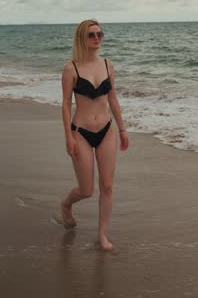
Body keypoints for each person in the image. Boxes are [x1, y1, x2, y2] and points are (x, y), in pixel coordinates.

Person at [60, 19, 129, 251]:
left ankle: (102, 234)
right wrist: (68, 136)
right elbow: (65, 105)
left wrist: (122, 128)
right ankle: (66, 205)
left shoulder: (108, 64)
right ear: (82, 38)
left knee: (107, 186)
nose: (97, 38)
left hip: (107, 130)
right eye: (92, 35)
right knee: (86, 190)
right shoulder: (71, 68)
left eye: (100, 34)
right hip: (80, 132)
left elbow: (113, 99)